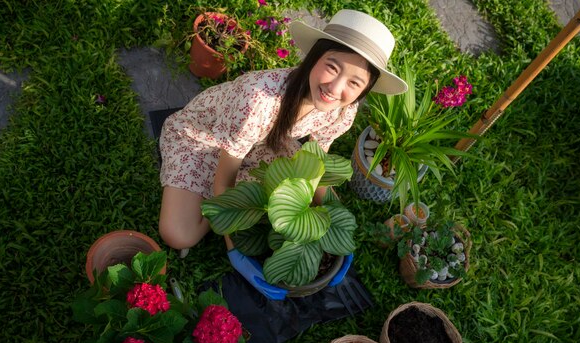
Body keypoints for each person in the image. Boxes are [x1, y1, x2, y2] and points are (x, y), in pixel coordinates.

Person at [158, 9, 408, 257]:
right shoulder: (258, 99)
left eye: (354, 83)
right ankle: (200, 200)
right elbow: (225, 179)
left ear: (364, 91)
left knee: (311, 197)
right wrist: (233, 244)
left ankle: (205, 202)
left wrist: (332, 219)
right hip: (205, 141)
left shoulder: (343, 110)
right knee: (179, 235)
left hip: (265, 147)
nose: (335, 88)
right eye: (332, 67)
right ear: (313, 57)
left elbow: (315, 161)